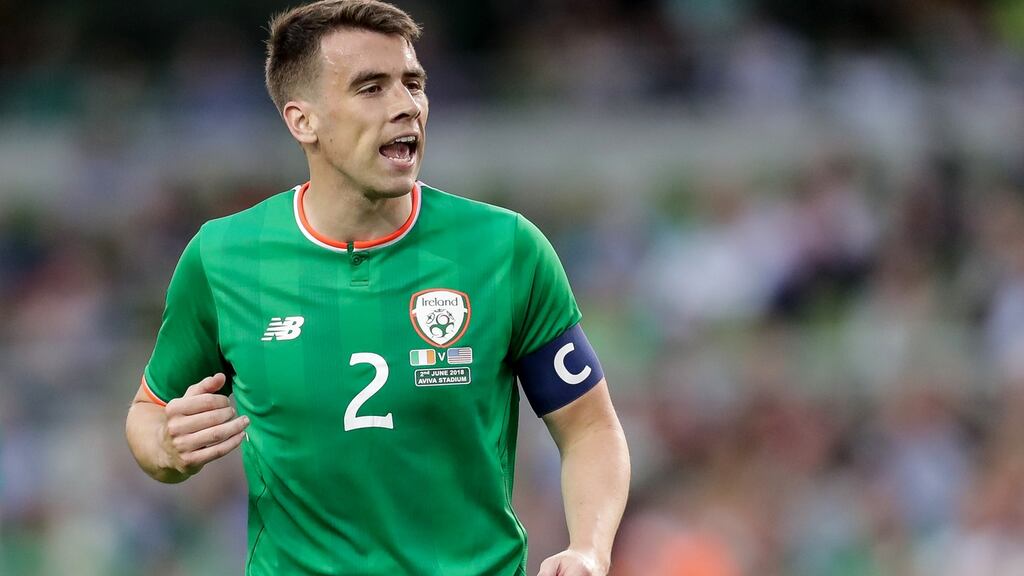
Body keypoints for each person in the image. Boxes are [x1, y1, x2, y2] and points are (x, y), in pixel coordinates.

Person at [124, 1, 630, 574]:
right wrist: (164, 448)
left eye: (413, 83)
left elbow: (590, 427)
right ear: (302, 121)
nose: (406, 106)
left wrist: (589, 548)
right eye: (371, 88)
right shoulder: (223, 258)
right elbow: (148, 411)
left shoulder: (505, 249)